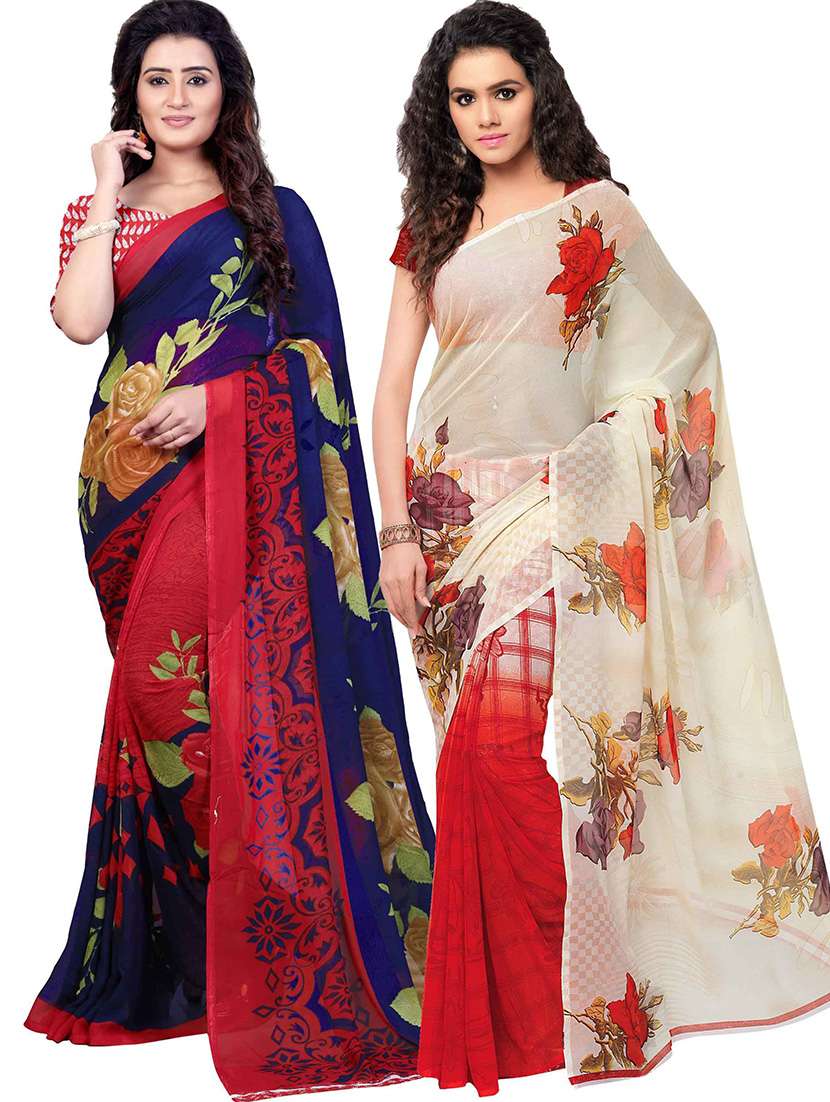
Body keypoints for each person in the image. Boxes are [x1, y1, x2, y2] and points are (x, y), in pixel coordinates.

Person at [373, 0, 830, 1094]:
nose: (486, 115)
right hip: (445, 520)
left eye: (503, 91)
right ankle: (534, 1013)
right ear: (443, 113)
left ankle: (568, 1003)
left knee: (499, 751)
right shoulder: (431, 221)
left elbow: (681, 348)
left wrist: (603, 453)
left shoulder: (597, 214)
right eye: (463, 99)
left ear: (539, 91)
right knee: (474, 762)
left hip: (560, 503)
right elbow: (390, 389)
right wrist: (393, 534)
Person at [24, 2, 435, 1098]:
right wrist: (104, 189)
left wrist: (219, 404)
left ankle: (287, 951)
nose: (175, 97)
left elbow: (316, 363)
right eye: (156, 79)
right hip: (123, 497)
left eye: (195, 78)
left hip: (239, 492)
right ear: (130, 95)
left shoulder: (272, 213)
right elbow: (79, 322)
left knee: (232, 715)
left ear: (227, 93)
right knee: (167, 714)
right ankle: (225, 957)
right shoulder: (97, 213)